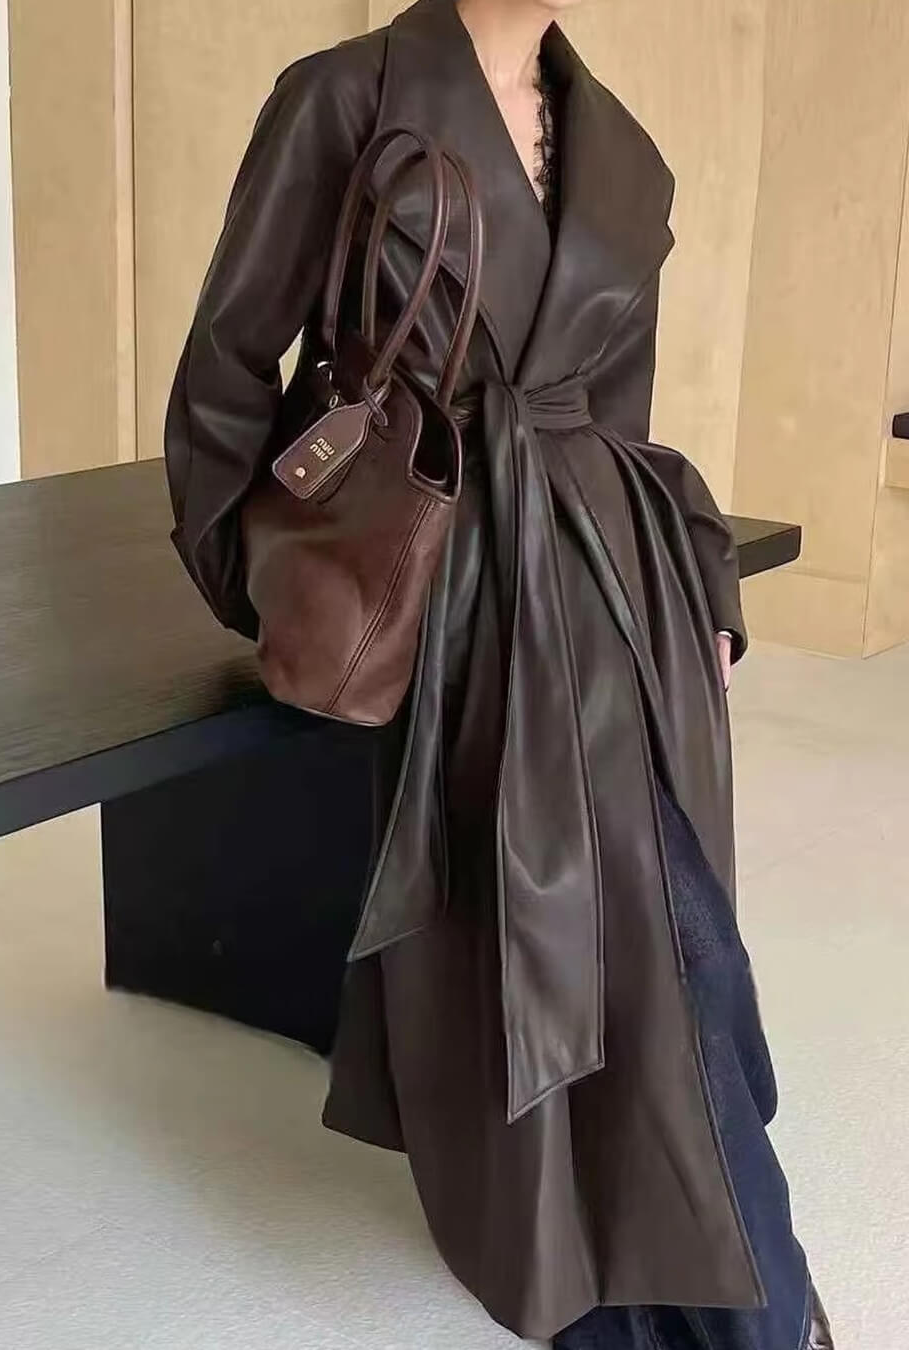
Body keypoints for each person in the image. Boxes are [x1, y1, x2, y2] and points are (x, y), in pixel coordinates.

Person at [163, 1, 834, 1346]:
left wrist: (697, 583)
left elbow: (621, 423)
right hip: (451, 584)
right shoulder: (345, 98)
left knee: (664, 941)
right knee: (582, 940)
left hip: (609, 584)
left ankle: (716, 1305)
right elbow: (228, 364)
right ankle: (748, 1315)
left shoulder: (620, 149)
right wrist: (275, 582)